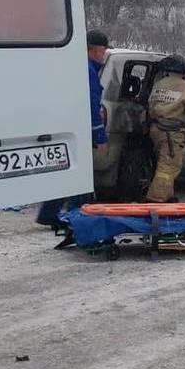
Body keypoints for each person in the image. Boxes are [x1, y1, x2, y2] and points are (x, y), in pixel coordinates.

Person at [39, 29, 110, 247]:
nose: (104, 54)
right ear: (95, 49)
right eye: (103, 50)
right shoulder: (88, 70)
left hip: (66, 127)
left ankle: (49, 213)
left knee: (67, 173)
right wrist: (98, 133)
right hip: (80, 130)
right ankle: (79, 219)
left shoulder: (74, 65)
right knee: (80, 178)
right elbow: (90, 104)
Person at [145, 53, 185, 203]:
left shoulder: (159, 84)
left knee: (163, 162)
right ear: (184, 71)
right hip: (171, 132)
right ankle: (155, 200)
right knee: (169, 166)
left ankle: (168, 196)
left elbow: (150, 105)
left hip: (155, 129)